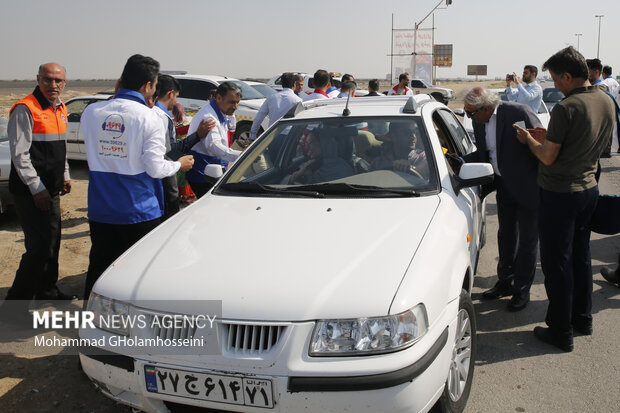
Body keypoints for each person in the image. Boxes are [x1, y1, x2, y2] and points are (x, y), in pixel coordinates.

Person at [514, 46, 616, 352]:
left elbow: (547, 157)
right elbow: (585, 143)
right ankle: (582, 319)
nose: (554, 85)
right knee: (581, 257)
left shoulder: (566, 108)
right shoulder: (605, 100)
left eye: (557, 79)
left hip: (561, 194)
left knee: (557, 264)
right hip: (588, 190)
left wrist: (529, 139)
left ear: (569, 76)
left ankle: (560, 329)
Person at [81, 54, 195, 299]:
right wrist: (178, 165)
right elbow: (155, 168)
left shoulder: (91, 112)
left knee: (100, 264)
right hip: (138, 210)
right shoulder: (149, 117)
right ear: (148, 86)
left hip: (100, 208)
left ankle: (92, 317)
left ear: (120, 81)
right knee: (138, 272)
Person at [462, 87, 542, 311]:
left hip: (529, 188)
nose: (469, 118)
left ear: (486, 108)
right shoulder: (479, 121)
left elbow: (542, 147)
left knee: (527, 241)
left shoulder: (519, 113)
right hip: (503, 186)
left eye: (471, 113)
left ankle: (522, 290)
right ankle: (505, 282)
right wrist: (458, 160)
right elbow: (484, 154)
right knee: (506, 235)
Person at [4, 62, 76, 308]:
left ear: (65, 83)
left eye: (58, 81)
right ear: (38, 79)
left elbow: (60, 148)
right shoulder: (25, 109)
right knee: (38, 248)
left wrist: (64, 175)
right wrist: (37, 189)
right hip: (31, 192)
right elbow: (20, 155)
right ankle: (17, 304)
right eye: (47, 80)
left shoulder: (61, 108)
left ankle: (47, 290)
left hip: (51, 189)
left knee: (53, 242)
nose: (52, 85)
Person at [153, 74, 214, 219]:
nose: (175, 101)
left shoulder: (150, 112)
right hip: (165, 174)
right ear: (170, 94)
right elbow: (171, 152)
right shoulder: (162, 117)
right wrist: (197, 136)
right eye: (176, 97)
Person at [185, 82, 243, 198]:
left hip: (214, 167)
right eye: (232, 102)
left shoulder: (221, 112)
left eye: (237, 103)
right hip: (204, 172)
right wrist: (243, 156)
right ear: (219, 98)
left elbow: (231, 128)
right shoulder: (209, 117)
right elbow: (214, 146)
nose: (235, 106)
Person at [249, 72, 302, 141]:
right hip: (290, 138)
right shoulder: (298, 101)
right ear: (294, 84)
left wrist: (253, 135)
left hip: (272, 135)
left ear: (282, 84)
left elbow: (259, 117)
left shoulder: (271, 98)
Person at [286, 131, 353, 184]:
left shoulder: (342, 168)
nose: (307, 147)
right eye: (306, 144)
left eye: (311, 143)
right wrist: (300, 173)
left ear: (323, 143)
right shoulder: (312, 165)